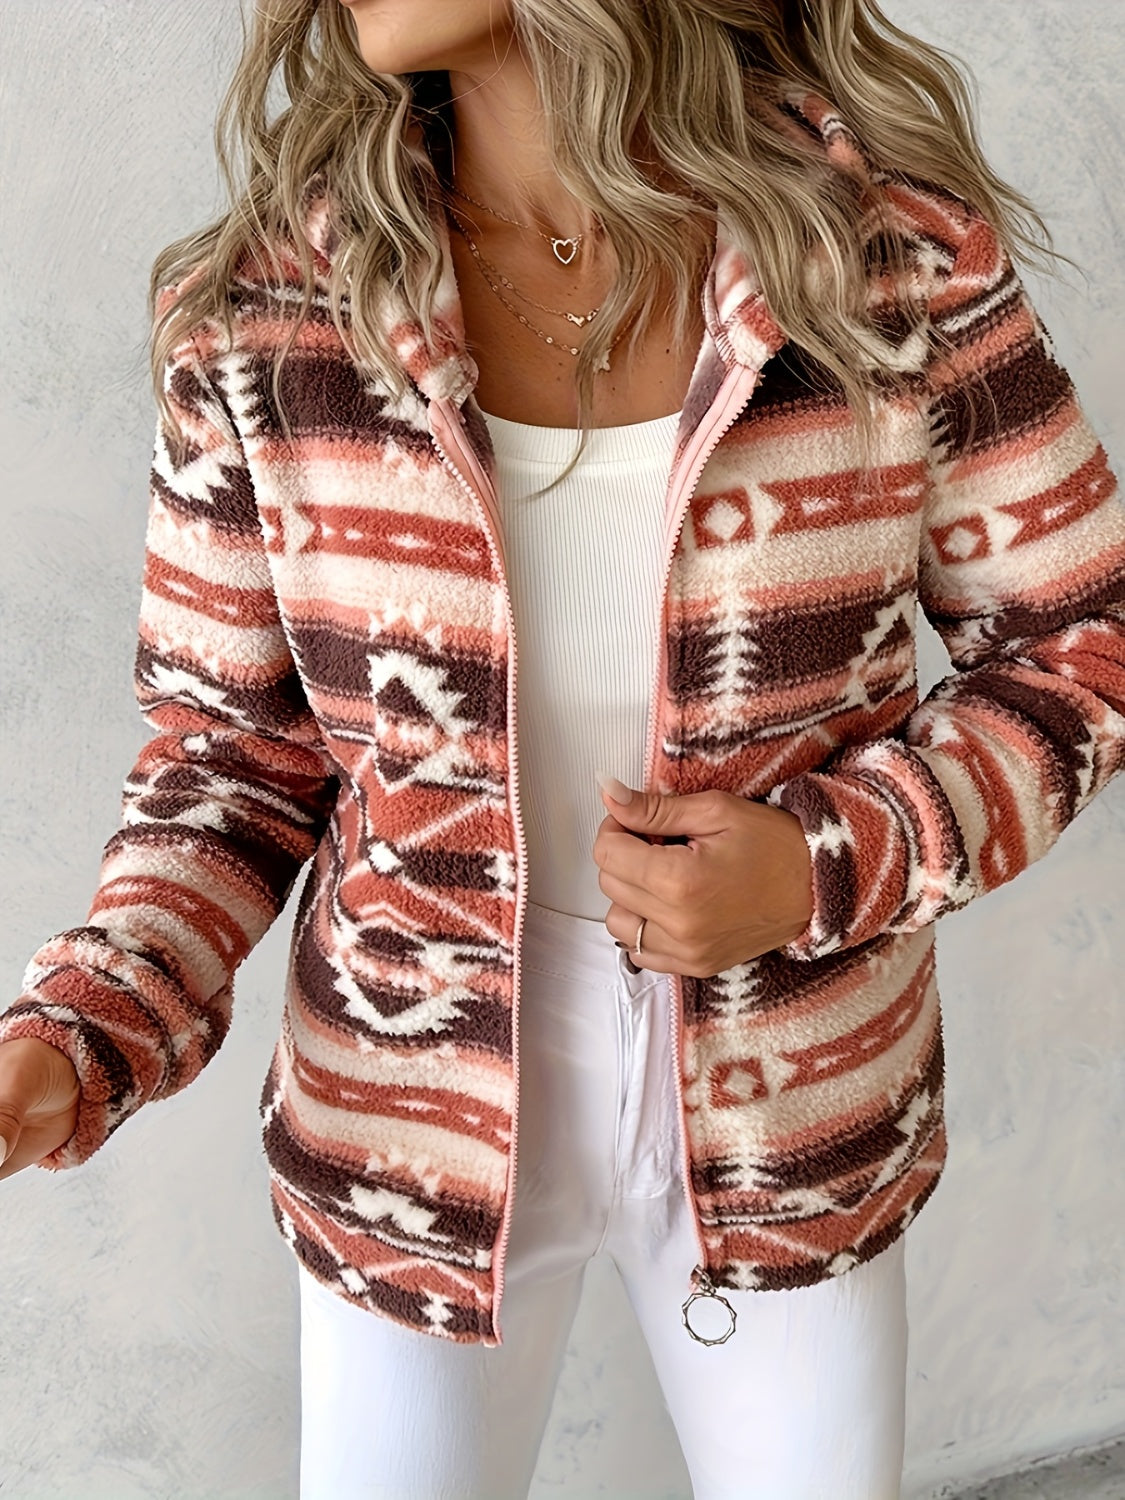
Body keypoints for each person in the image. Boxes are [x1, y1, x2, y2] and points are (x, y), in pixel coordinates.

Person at [2, 2, 1123, 1496]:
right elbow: (230, 757)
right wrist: (79, 1030)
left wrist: (821, 862)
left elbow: (1076, 642)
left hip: (794, 1108)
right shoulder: (269, 316)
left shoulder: (885, 261)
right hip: (404, 1123)